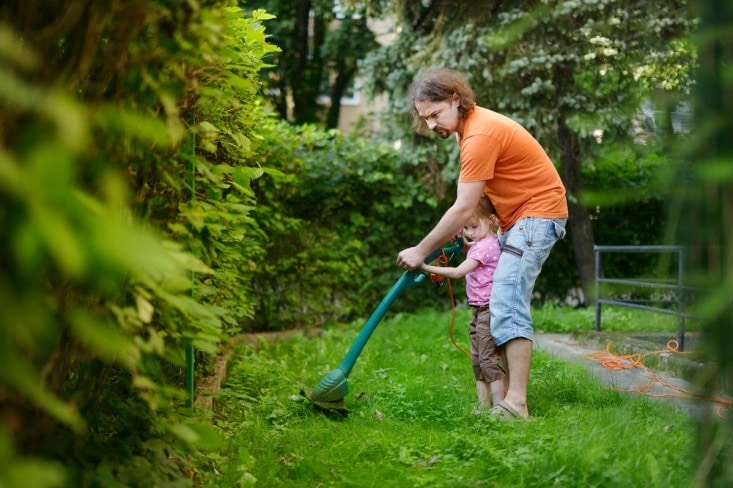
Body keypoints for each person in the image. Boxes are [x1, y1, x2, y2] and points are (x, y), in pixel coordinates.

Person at [396, 67, 568, 419]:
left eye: (435, 114)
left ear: (456, 100)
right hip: (517, 219)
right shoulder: (467, 131)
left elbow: (461, 207)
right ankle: (504, 397)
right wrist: (477, 230)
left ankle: (516, 404)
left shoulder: (479, 136)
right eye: (425, 118)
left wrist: (421, 249)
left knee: (506, 300)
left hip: (537, 216)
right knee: (499, 303)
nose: (431, 125)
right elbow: (477, 201)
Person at [421, 195, 505, 412]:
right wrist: (464, 243)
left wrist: (425, 266)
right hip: (478, 310)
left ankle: (500, 406)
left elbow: (458, 272)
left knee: (487, 359)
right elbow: (472, 249)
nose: (469, 232)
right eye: (465, 228)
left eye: (473, 226)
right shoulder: (480, 244)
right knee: (477, 359)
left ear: (491, 220)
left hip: (488, 310)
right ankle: (482, 405)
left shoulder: (488, 246)